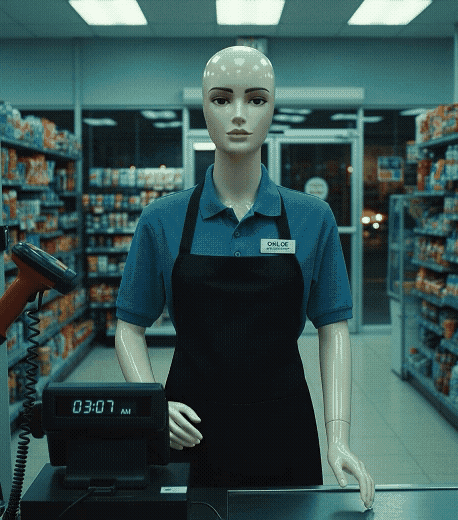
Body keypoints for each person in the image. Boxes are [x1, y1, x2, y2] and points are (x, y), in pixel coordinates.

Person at [114, 46, 374, 510]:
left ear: (273, 108)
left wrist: (339, 436)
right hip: (185, 430)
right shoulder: (162, 219)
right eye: (221, 99)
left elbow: (333, 328)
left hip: (284, 427)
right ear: (203, 107)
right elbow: (129, 327)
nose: (238, 115)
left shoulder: (312, 218)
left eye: (255, 99)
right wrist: (153, 407)